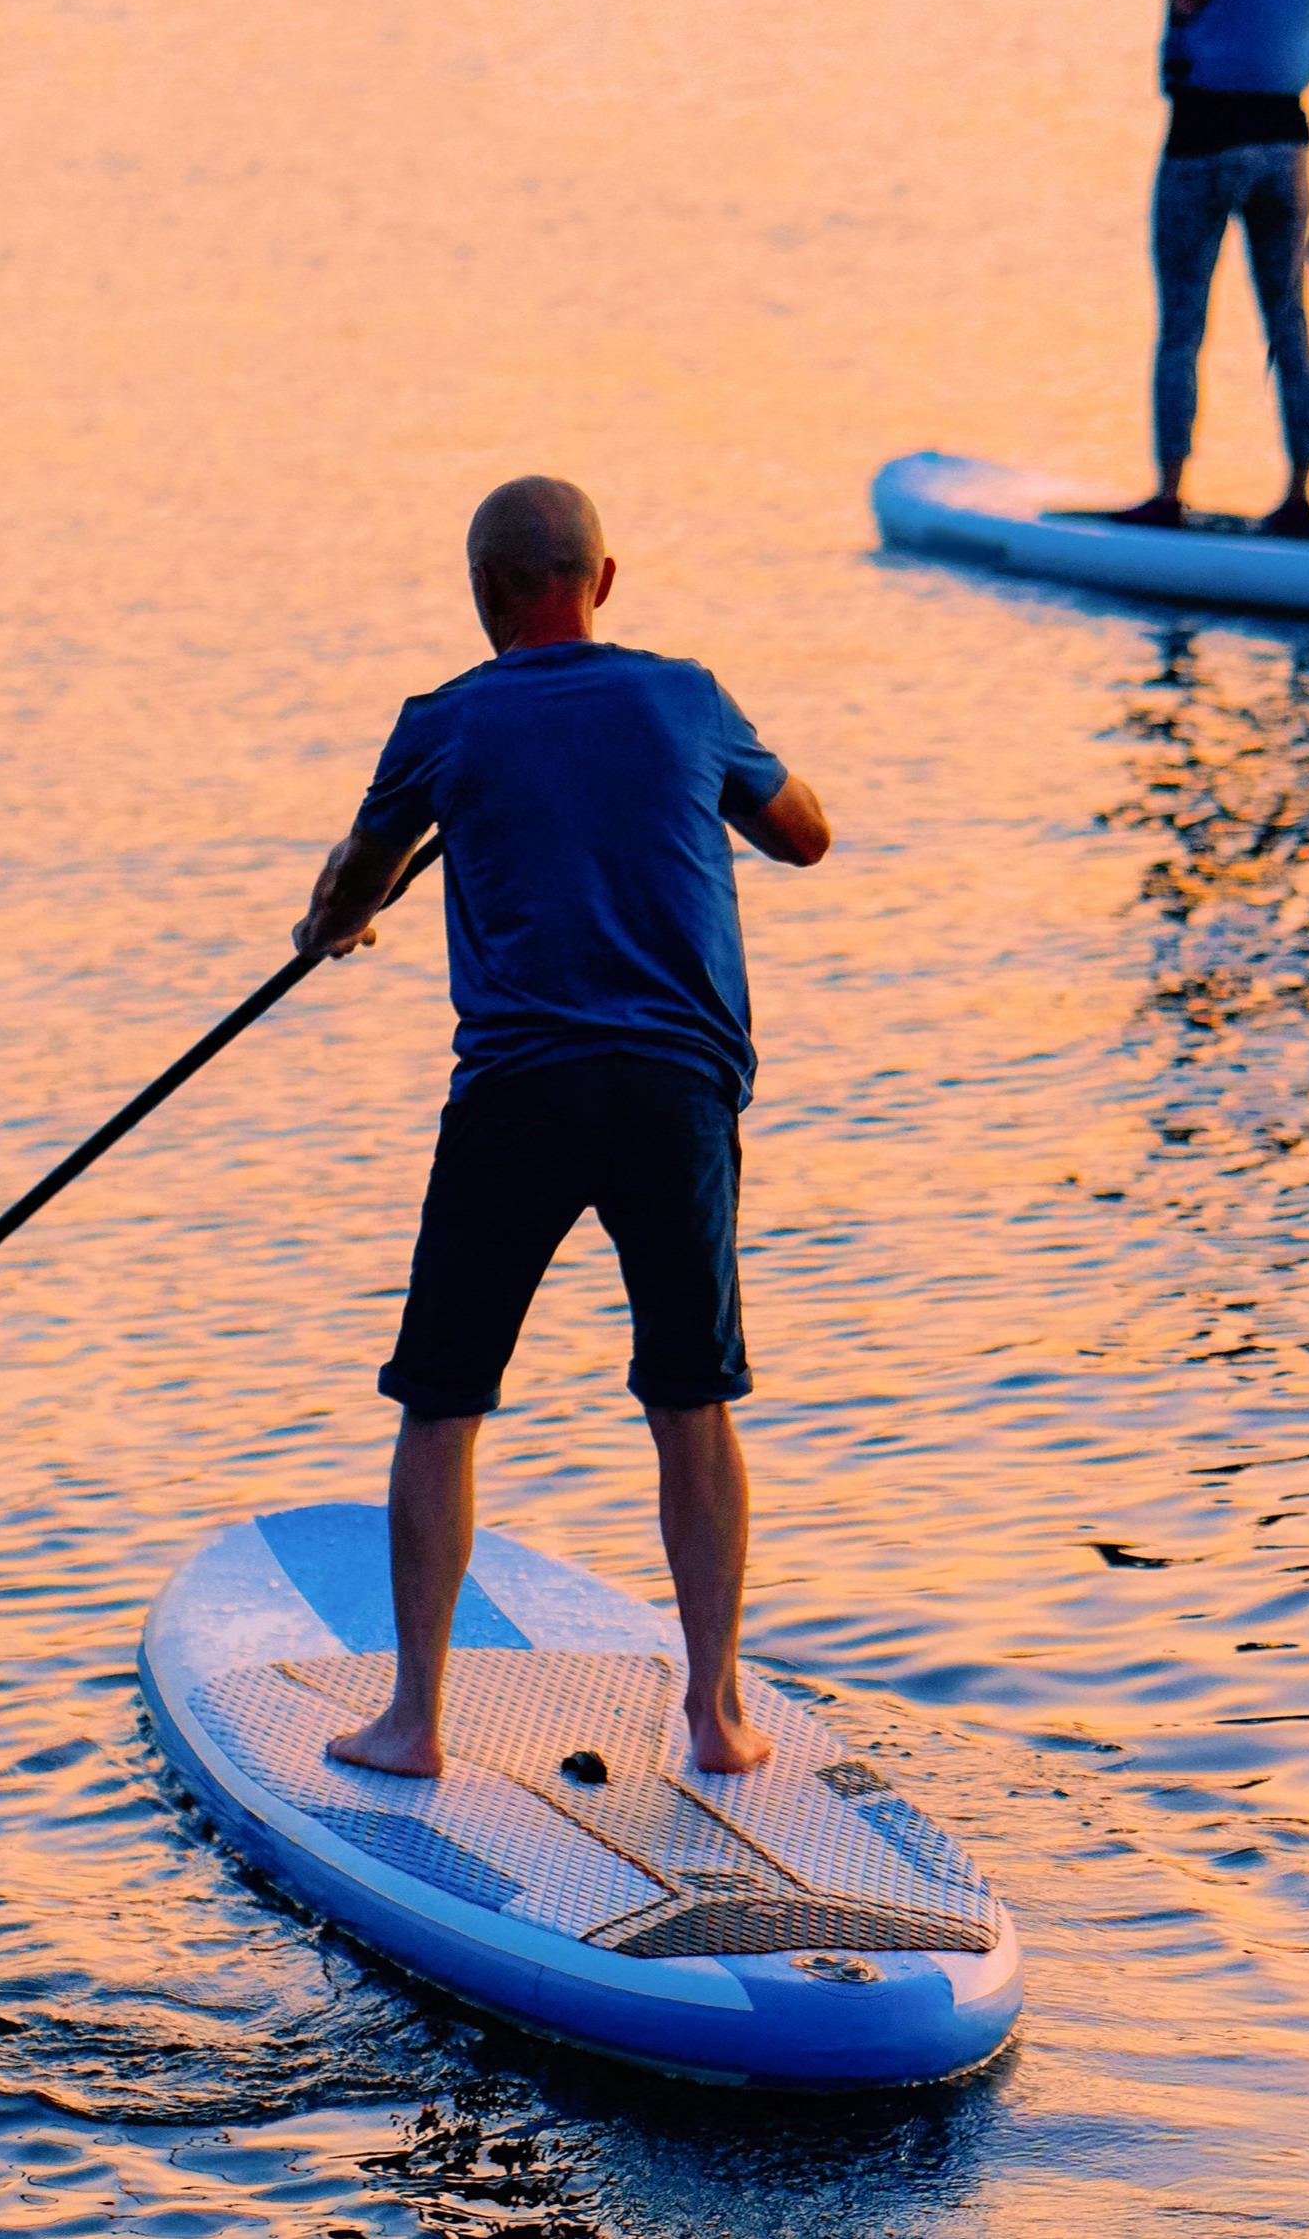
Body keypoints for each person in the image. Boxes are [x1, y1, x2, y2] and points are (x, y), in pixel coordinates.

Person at [289, 476, 833, 1780]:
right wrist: (714, 779)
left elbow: (346, 888)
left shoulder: (445, 722)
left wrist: (339, 922)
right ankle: (713, 1711)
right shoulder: (687, 699)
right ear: (603, 577)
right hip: (672, 1094)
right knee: (692, 1400)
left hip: (520, 1093)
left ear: (484, 602)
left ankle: (415, 1718)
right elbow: (804, 834)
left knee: (439, 1400)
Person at [1080, 0, 1309, 535]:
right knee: (1289, 322)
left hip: (1202, 148)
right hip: (1285, 154)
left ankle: (1168, 491)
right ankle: (1299, 497)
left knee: (1183, 326)